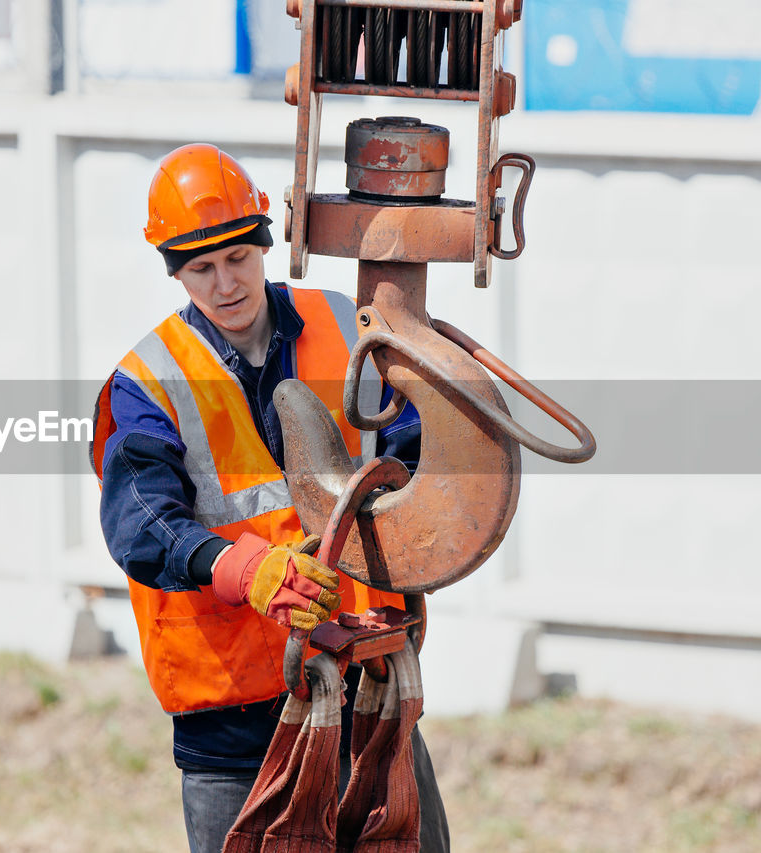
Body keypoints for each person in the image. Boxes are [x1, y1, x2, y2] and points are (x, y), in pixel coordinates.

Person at [89, 143, 450, 852]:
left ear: (264, 241)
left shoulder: (346, 327)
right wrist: (244, 570)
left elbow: (414, 450)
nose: (225, 283)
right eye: (201, 268)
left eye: (238, 258)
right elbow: (140, 522)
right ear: (175, 270)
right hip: (232, 727)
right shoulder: (149, 381)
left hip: (365, 691)